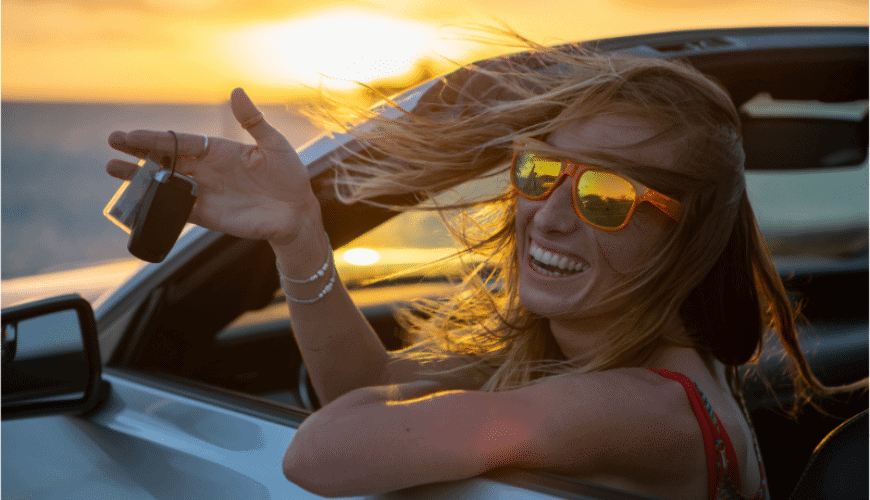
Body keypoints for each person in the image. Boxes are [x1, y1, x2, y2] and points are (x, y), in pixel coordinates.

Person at [106, 34, 863, 500]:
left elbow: (320, 452)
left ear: (688, 240)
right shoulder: (605, 369)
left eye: (607, 195)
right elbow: (368, 395)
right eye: (540, 172)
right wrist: (300, 233)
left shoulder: (635, 410)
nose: (552, 214)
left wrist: (436, 394)